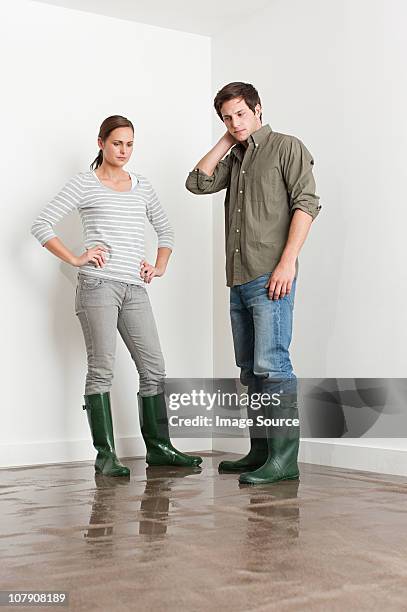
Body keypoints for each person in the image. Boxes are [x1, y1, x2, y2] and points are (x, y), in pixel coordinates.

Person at [31, 115, 202, 477]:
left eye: (129, 144)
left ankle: (159, 449)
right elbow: (41, 224)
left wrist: (158, 266)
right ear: (101, 143)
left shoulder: (142, 186)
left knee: (154, 368)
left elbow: (166, 230)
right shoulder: (85, 183)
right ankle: (105, 455)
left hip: (134, 288)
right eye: (117, 143)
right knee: (102, 369)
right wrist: (77, 258)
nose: (123, 151)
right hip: (98, 286)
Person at [185, 83, 321, 485]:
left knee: (274, 365)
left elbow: (307, 203)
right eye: (227, 117)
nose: (235, 122)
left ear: (258, 109)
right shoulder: (236, 158)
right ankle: (261, 452)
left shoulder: (286, 146)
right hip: (239, 278)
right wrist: (228, 140)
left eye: (241, 114)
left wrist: (288, 262)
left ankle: (284, 460)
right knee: (250, 371)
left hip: (271, 275)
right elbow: (197, 183)